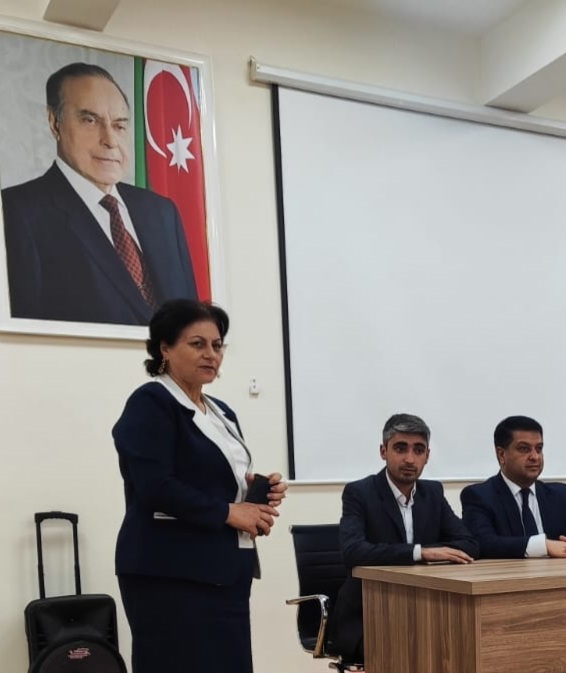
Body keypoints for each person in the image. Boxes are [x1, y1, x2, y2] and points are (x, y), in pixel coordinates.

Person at [112, 298, 288, 673]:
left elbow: (213, 480)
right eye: (198, 344)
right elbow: (154, 485)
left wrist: (256, 494)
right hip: (170, 571)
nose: (211, 354)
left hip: (226, 570)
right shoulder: (150, 403)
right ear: (164, 348)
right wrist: (228, 511)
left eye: (217, 345)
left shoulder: (222, 412)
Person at [2, 62, 197, 325]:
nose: (110, 140)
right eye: (90, 121)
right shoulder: (16, 211)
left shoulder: (162, 212)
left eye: (119, 126)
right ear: (54, 123)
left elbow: (192, 326)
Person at [329, 414, 478, 668]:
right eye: (401, 448)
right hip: (368, 616)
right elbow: (353, 552)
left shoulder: (432, 492)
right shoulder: (359, 493)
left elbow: (468, 543)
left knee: (464, 647)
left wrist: (428, 552)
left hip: (426, 611)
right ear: (383, 451)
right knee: (413, 652)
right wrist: (420, 553)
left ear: (427, 456)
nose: (410, 459)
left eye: (418, 450)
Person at [460, 415, 566, 559]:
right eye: (524, 449)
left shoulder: (560, 494)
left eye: (539, 448)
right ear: (501, 454)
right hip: (508, 573)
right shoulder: (479, 496)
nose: (535, 456)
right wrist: (544, 546)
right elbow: (483, 543)